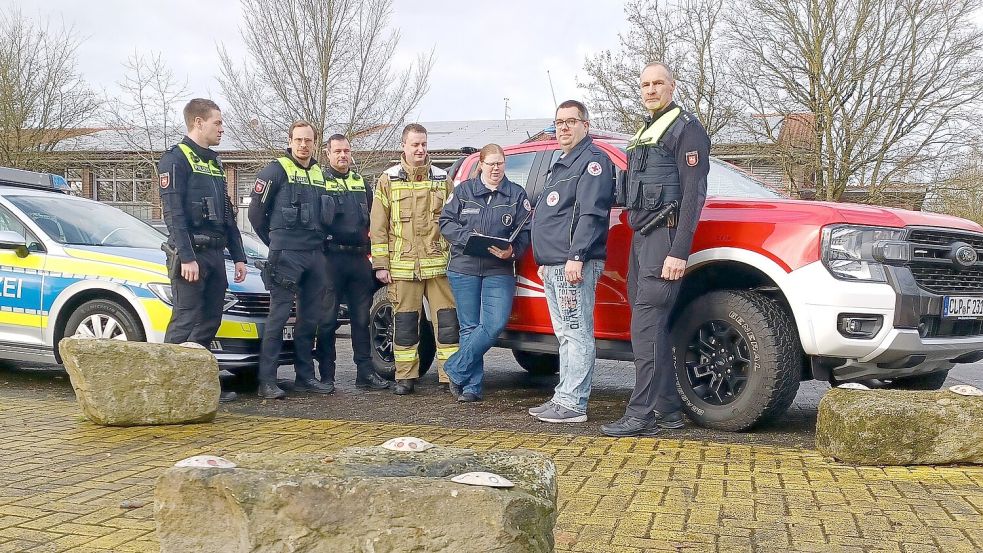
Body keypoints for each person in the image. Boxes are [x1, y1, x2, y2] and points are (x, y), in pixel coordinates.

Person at [600, 62, 710, 437]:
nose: (651, 90)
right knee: (650, 328)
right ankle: (667, 409)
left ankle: (640, 414)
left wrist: (679, 251)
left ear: (672, 86)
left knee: (646, 328)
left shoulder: (687, 129)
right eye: (645, 84)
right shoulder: (647, 130)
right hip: (642, 238)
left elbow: (694, 195)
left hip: (665, 238)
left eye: (658, 83)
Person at [527, 100, 615, 423]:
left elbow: (591, 214)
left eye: (570, 121)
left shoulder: (592, 163)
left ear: (585, 126)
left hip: (572, 265)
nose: (564, 127)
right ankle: (562, 396)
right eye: (559, 122)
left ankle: (573, 403)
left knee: (576, 332)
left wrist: (576, 257)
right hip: (554, 265)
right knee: (564, 333)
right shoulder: (561, 162)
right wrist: (543, 259)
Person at [158, 98, 246, 403]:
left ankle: (196, 388)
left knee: (210, 320)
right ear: (198, 122)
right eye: (217, 122)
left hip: (215, 254)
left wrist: (239, 256)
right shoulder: (175, 159)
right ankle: (167, 388)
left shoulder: (214, 161)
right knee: (185, 319)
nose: (222, 129)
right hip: (191, 255)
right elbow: (173, 214)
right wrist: (187, 256)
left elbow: (226, 212)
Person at [247, 121, 334, 399]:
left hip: (315, 254)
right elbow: (255, 215)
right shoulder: (276, 170)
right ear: (290, 140)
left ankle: (305, 377)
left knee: (310, 319)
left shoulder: (321, 172)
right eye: (298, 140)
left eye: (308, 140)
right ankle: (267, 380)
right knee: (279, 316)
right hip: (285, 255)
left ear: (315, 143)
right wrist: (276, 244)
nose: (303, 145)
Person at [369, 123, 458, 395]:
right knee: (405, 323)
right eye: (414, 144)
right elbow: (379, 226)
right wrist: (381, 265)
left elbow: (455, 222)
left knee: (448, 324)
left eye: (423, 144)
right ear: (403, 146)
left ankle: (450, 376)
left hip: (439, 265)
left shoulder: (443, 179)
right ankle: (406, 377)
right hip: (403, 267)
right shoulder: (388, 179)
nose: (420, 149)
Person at [439, 144, 531, 402]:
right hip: (464, 267)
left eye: (500, 163)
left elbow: (526, 231)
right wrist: (468, 238)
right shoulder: (463, 192)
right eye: (490, 163)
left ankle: (455, 367)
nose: (495, 168)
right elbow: (445, 223)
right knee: (469, 327)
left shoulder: (515, 194)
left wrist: (512, 251)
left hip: (498, 269)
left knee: (493, 325)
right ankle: (471, 387)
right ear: (480, 164)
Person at [315, 134, 390, 391]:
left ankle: (365, 373)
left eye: (346, 150)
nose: (342, 155)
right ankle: (326, 375)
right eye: (337, 151)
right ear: (328, 153)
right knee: (327, 320)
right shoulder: (319, 180)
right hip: (330, 258)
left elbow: (375, 222)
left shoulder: (360, 182)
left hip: (358, 258)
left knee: (361, 320)